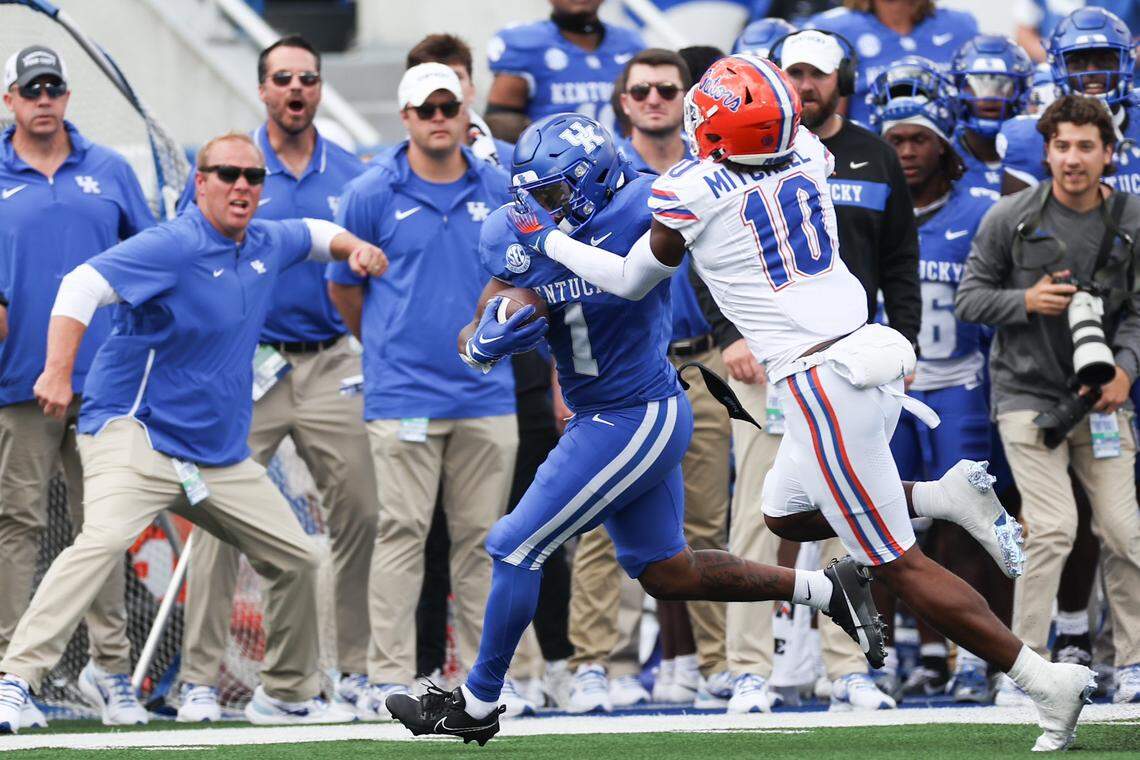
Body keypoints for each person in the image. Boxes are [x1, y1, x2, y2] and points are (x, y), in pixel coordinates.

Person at [499, 54, 1097, 751]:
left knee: (895, 563)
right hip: (862, 350)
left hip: (821, 381)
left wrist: (550, 240)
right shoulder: (810, 151)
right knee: (783, 512)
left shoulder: (690, 188)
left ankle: (1041, 679)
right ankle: (941, 495)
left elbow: (632, 279)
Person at [386, 110, 890, 746]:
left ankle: (478, 703)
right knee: (666, 572)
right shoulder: (519, 228)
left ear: (593, 178)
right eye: (534, 194)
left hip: (634, 412)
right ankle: (826, 589)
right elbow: (487, 310)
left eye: (555, 191)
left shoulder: (645, 208)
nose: (541, 207)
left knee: (514, 544)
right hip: (605, 413)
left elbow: (636, 278)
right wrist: (481, 341)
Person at [0, 132, 388, 735]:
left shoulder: (264, 240)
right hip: (137, 434)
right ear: (200, 182)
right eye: (228, 174)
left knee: (297, 559)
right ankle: (15, 679)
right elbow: (80, 285)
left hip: (215, 458)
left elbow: (314, 233)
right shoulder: (173, 243)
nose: (242, 185)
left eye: (253, 177)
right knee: (103, 539)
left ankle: (286, 694)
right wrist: (56, 370)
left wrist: (355, 246)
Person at [703, 30, 920, 713]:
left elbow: (899, 264)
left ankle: (848, 666)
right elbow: (700, 255)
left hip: (848, 362)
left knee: (845, 511)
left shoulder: (874, 154)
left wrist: (904, 344)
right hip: (766, 361)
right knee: (756, 514)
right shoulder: (729, 152)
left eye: (817, 74)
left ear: (841, 81)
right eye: (792, 72)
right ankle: (747, 667)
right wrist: (728, 336)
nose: (804, 85)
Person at [172, 35, 378, 723]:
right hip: (245, 365)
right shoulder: (229, 166)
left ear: (319, 88)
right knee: (217, 516)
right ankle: (199, 680)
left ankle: (353, 671)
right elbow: (186, 260)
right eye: (283, 78)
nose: (296, 89)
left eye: (308, 78)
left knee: (361, 514)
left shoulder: (351, 172)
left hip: (331, 361)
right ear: (262, 88)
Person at [325, 63, 519, 717]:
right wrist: (388, 349)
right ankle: (388, 677)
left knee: (485, 540)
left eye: (448, 106)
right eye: (426, 109)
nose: (438, 118)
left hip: (485, 391)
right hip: (403, 395)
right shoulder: (370, 191)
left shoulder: (498, 185)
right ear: (405, 116)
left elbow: (523, 277)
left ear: (466, 111)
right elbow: (344, 291)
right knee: (402, 533)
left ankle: (488, 682)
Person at [402, 33, 575, 715]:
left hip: (526, 369)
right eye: (427, 95)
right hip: (438, 379)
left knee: (528, 525)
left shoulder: (516, 164)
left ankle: (543, 662)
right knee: (433, 538)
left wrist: (557, 372)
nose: (441, 109)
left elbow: (558, 265)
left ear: (470, 87)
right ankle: (428, 668)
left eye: (451, 89)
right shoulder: (390, 171)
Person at [956, 94, 1140, 707]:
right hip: (1027, 395)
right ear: (1047, 152)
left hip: (1104, 399)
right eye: (1062, 146)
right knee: (1055, 526)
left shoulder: (1132, 218)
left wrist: (1125, 370)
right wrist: (1026, 301)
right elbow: (969, 299)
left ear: (1109, 154)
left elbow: (1139, 312)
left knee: (1125, 531)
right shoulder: (1010, 216)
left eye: (1086, 146)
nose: (1073, 158)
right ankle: (1026, 666)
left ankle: (1132, 662)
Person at [565, 48, 734, 712]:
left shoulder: (714, 174)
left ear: (687, 99)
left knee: (706, 522)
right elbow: (564, 286)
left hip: (700, 358)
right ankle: (593, 665)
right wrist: (564, 378)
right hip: (618, 369)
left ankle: (718, 664)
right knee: (598, 519)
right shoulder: (597, 181)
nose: (655, 100)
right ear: (623, 101)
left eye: (668, 89)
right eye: (642, 91)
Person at [0, 44, 154, 729]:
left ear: (66, 95)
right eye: (30, 89)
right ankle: (11, 675)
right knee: (18, 524)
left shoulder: (111, 169)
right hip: (17, 383)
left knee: (107, 526)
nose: (43, 100)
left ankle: (110, 669)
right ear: (10, 99)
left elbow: (152, 261)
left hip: (109, 383)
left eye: (53, 88)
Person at [869, 56, 1005, 703]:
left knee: (967, 520)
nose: (907, 151)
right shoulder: (868, 207)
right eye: (895, 139)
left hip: (961, 384)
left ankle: (974, 656)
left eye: (919, 138)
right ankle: (916, 654)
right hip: (887, 392)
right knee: (887, 522)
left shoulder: (981, 209)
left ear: (945, 140)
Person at [999, 7, 1140, 196]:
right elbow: (1014, 214)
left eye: (1104, 59)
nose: (1092, 71)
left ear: (1126, 62)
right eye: (1078, 62)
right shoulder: (1029, 137)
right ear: (1057, 68)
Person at [484, 0, 644, 141]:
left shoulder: (631, 44)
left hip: (621, 160)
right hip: (550, 163)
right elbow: (502, 123)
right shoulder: (524, 43)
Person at [807, 0, 978, 127]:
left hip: (946, 152)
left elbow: (976, 101)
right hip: (869, 154)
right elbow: (830, 125)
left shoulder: (960, 25)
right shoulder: (834, 28)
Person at [949, 35, 1034, 197]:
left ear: (1022, 89)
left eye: (1002, 83)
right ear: (959, 87)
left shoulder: (1038, 151)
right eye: (978, 82)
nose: (990, 95)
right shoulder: (942, 154)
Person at [1013, 0, 1140, 63]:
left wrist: (1116, 58)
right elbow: (1024, 33)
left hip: (1121, 77)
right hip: (1056, 78)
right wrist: (1060, 59)